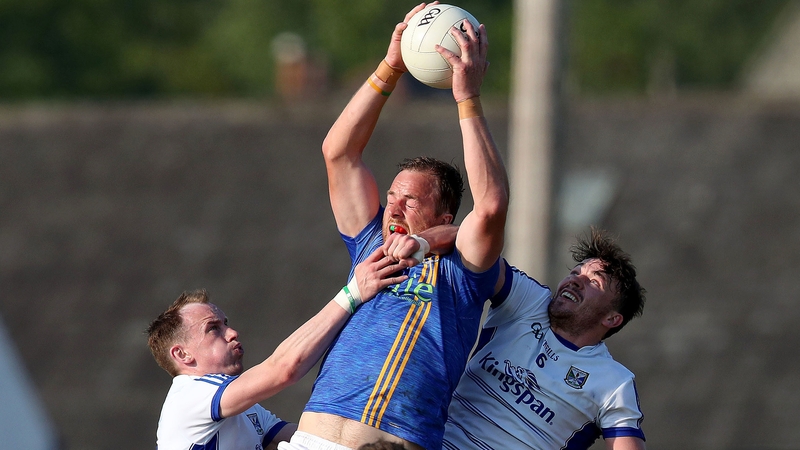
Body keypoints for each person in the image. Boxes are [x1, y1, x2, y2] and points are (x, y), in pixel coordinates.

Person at [282, 3, 510, 450]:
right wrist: (391, 66)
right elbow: (338, 153)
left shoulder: (465, 273)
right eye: (391, 197)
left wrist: (467, 98)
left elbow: (491, 205)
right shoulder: (369, 246)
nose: (394, 208)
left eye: (410, 201)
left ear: (445, 217)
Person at [147, 247, 410, 450]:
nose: (232, 332)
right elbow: (284, 369)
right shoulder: (189, 395)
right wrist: (353, 294)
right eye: (213, 328)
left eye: (226, 323)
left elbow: (306, 439)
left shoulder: (238, 405)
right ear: (182, 355)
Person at [442, 227, 647, 449]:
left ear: (611, 319)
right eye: (575, 272)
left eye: (594, 282)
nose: (576, 280)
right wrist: (419, 243)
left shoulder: (614, 383)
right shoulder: (528, 301)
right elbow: (477, 242)